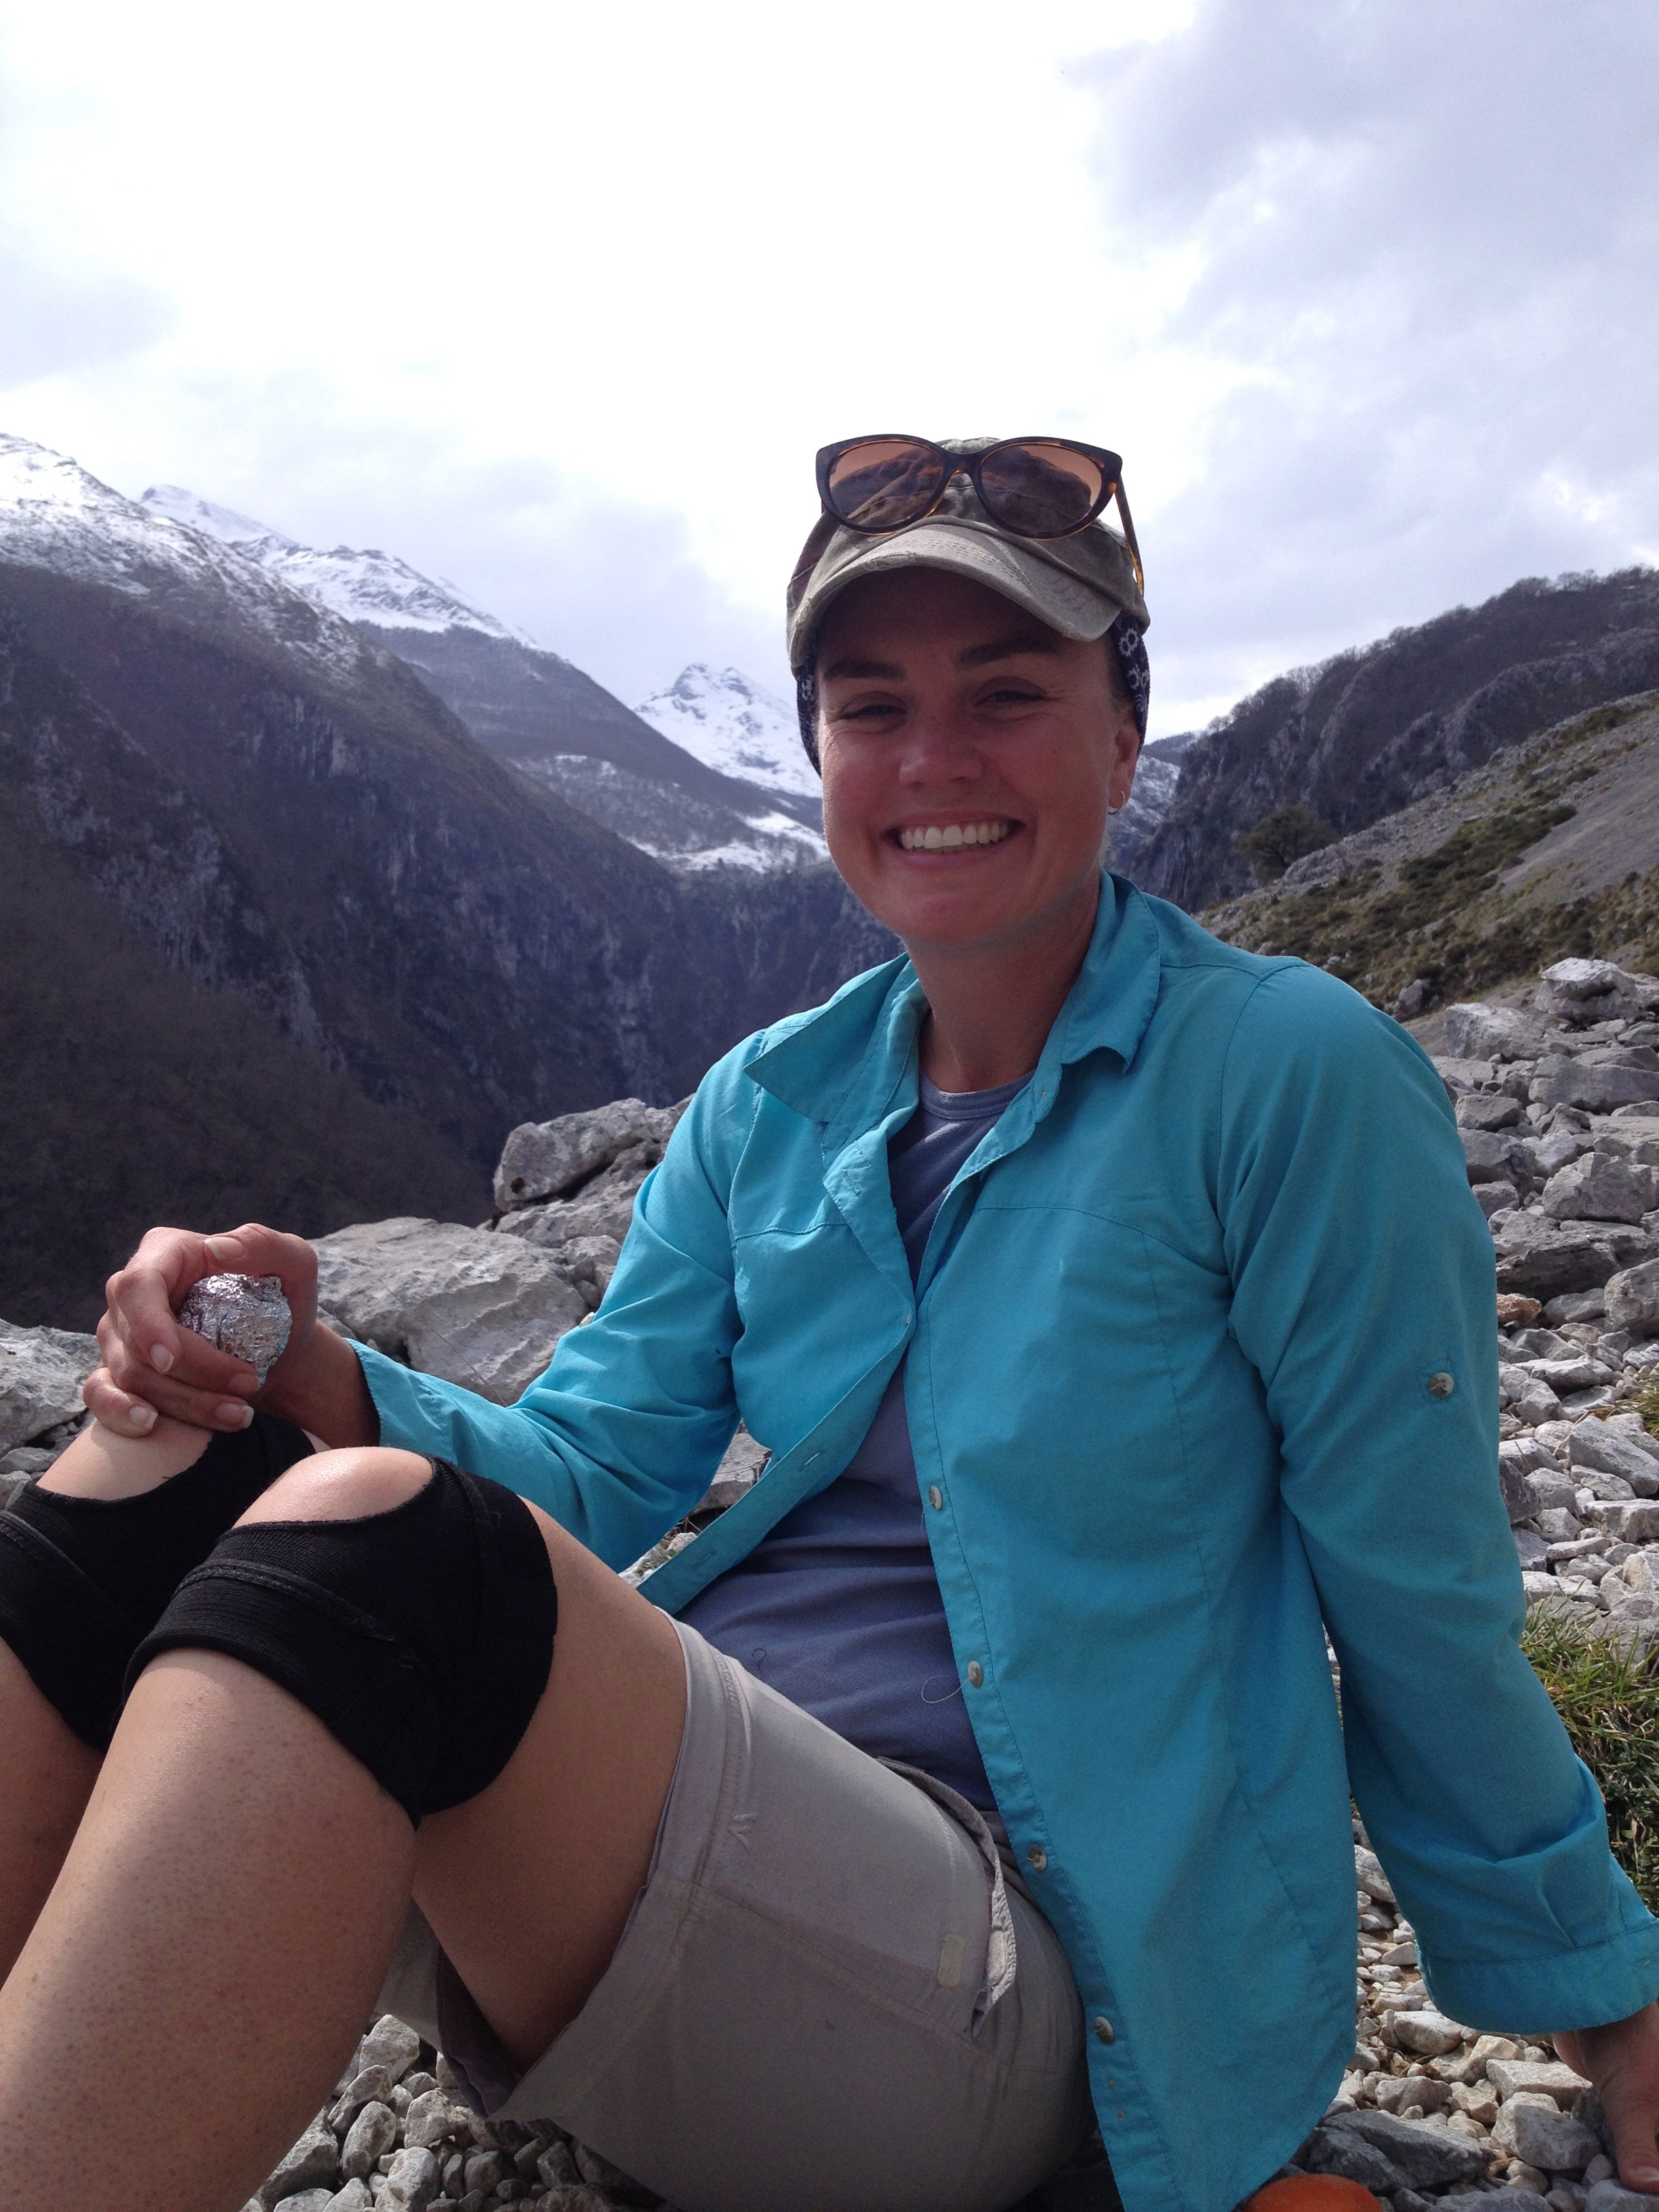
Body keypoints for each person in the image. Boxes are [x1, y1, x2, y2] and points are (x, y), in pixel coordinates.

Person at [1, 433, 1657, 2212]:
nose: (933, 759)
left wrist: (1608, 2000)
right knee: (174, 1439)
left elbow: (1417, 1594)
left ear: (1124, 738)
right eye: (873, 708)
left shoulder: (1285, 1076)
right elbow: (589, 1467)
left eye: (1007, 693)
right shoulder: (769, 1102)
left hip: (1031, 1992)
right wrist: (297, 1365)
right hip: (672, 1874)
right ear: (821, 758)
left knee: (379, 1545)